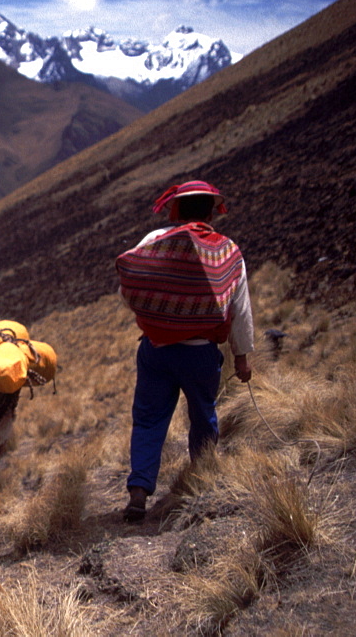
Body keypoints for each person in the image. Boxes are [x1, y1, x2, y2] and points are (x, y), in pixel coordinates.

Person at [116, 180, 254, 522]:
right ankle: (203, 480)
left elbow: (129, 289)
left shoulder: (153, 241)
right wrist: (242, 355)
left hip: (156, 349)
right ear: (211, 211)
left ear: (175, 209)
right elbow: (240, 308)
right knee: (203, 414)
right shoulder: (227, 251)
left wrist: (156, 313)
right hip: (201, 354)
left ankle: (139, 489)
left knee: (148, 418)